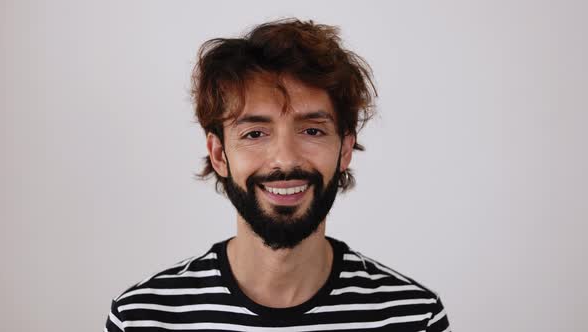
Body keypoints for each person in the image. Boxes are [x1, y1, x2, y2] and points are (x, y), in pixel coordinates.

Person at [104, 18, 451, 332]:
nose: (285, 159)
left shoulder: (412, 318)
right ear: (218, 154)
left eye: (312, 131)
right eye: (255, 133)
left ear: (344, 150)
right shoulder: (142, 319)